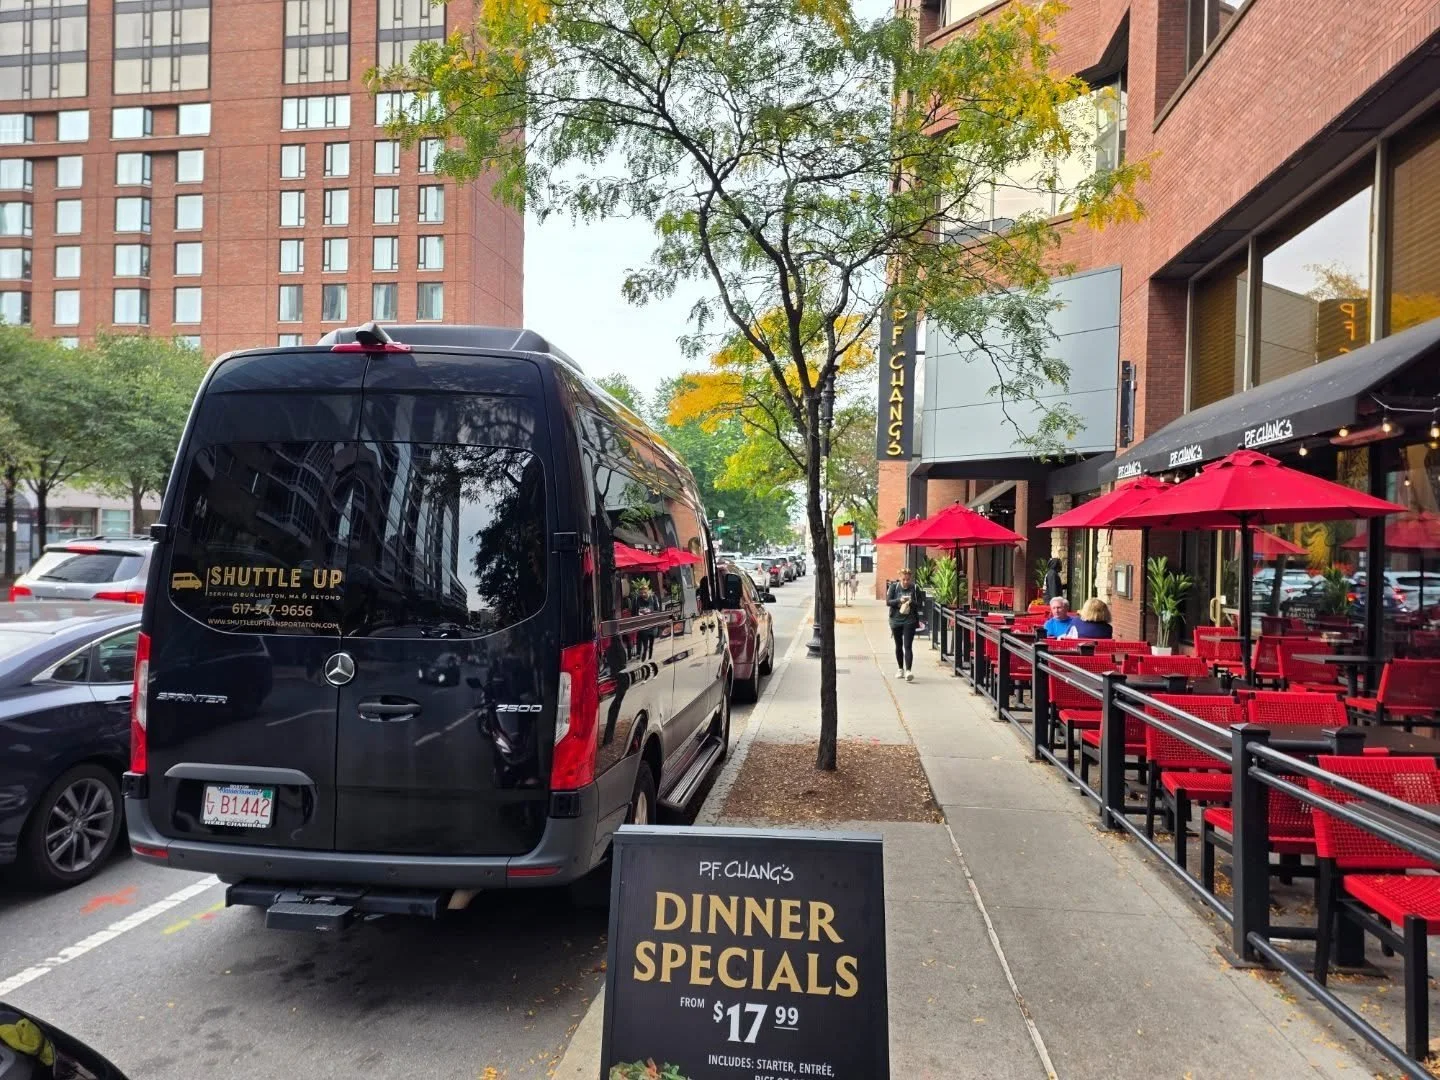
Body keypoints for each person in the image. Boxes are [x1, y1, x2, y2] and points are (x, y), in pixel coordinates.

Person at [887, 566, 925, 681]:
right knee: (898, 645)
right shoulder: (894, 587)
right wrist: (899, 600)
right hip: (895, 620)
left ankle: (908, 670)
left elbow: (920, 604)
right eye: (903, 579)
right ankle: (900, 669)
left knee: (907, 646)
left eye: (908, 579)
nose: (905, 582)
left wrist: (911, 601)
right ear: (900, 578)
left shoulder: (914, 588)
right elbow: (888, 602)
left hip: (910, 620)